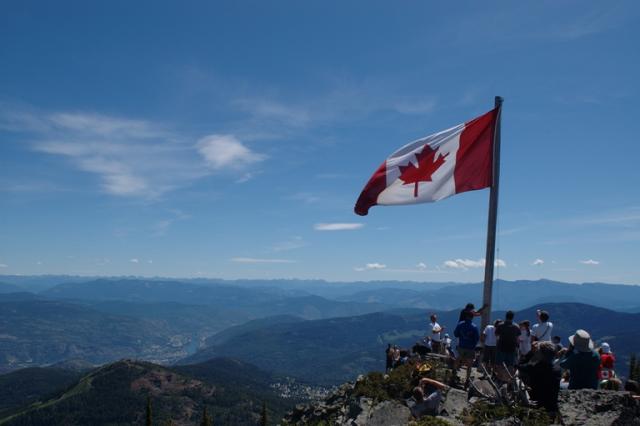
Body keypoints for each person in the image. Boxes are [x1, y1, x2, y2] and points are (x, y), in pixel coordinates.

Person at [518, 341, 561, 414]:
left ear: (540, 354)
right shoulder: (557, 370)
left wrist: (531, 353)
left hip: (537, 405)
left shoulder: (534, 368)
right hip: (552, 407)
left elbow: (519, 365)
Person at [454, 310, 479, 387]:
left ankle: (453, 376)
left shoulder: (460, 324)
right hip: (470, 348)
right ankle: (467, 380)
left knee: (458, 360)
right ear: (472, 317)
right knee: (469, 365)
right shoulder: (474, 327)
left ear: (466, 316)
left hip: (461, 346)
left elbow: (455, 334)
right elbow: (476, 338)